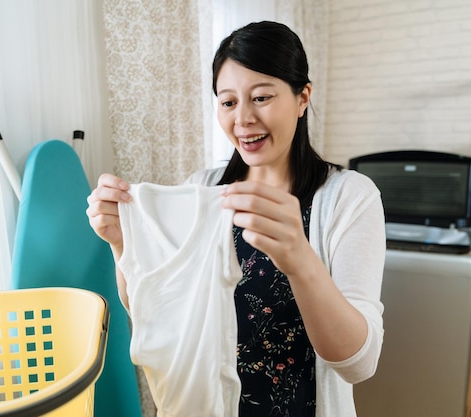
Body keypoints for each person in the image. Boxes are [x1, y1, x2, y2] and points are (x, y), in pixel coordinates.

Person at [87, 21, 385, 417]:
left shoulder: (348, 197)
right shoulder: (202, 190)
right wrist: (123, 244)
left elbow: (358, 364)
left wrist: (300, 261)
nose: (242, 119)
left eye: (261, 97)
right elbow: (159, 306)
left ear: (302, 98)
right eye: (228, 102)